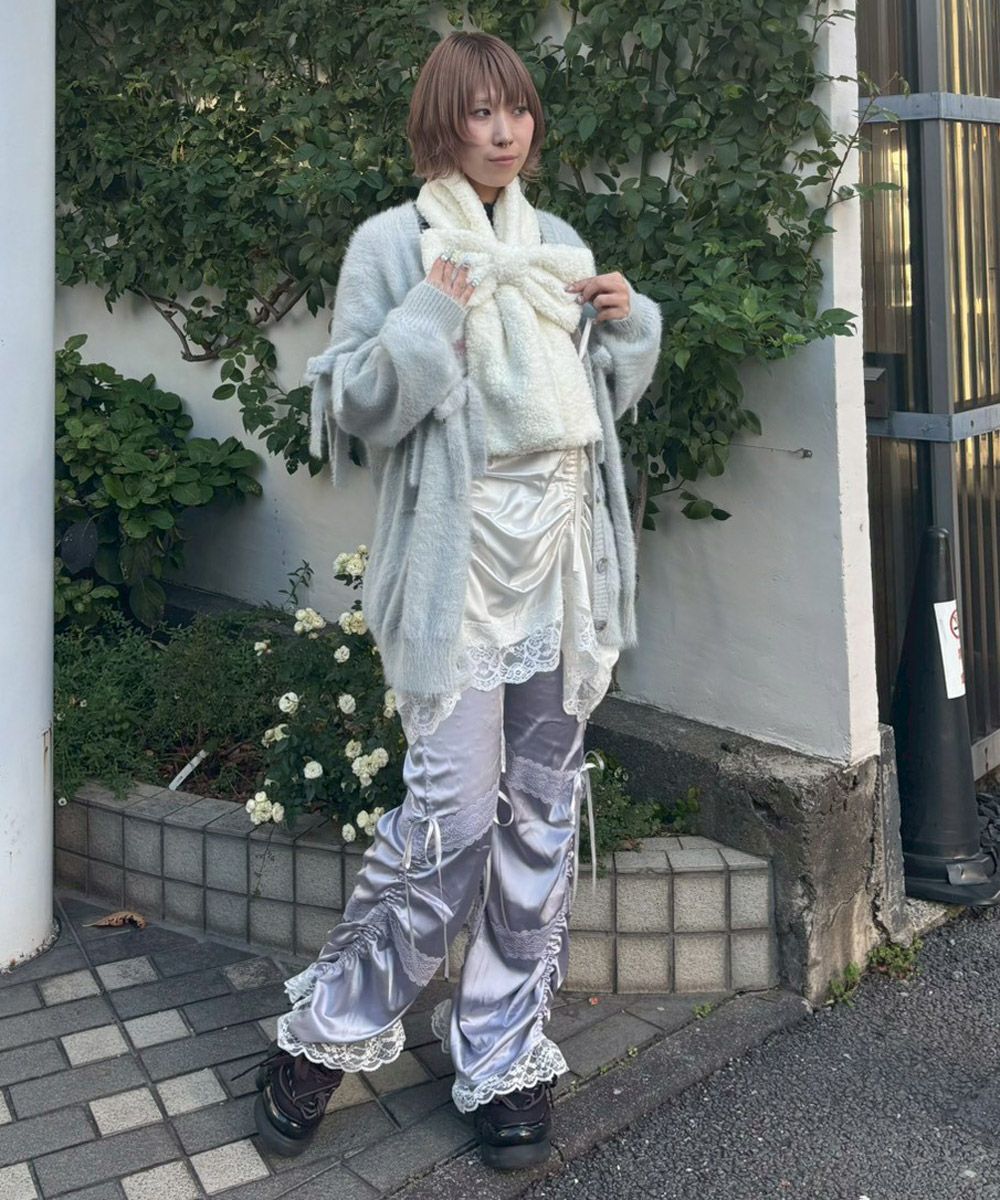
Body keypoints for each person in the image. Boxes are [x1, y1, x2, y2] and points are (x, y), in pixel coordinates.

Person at [250, 29, 663, 1172]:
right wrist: (430, 315)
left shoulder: (557, 242)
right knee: (450, 820)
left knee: (539, 809)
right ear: (442, 123)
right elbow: (356, 404)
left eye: (515, 110)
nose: (503, 131)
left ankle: (502, 1048)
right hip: (457, 565)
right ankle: (328, 1030)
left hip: (560, 557)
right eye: (479, 112)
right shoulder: (391, 245)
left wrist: (627, 326)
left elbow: (590, 401)